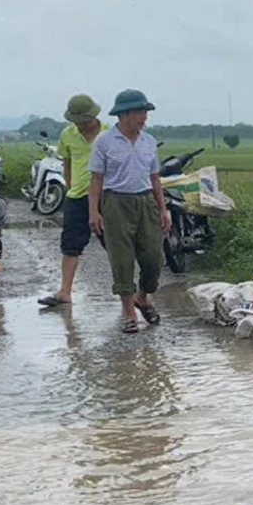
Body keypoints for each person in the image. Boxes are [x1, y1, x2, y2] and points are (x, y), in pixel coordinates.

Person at [87, 89, 170, 333]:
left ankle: (142, 297)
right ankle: (129, 312)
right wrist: (94, 211)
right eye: (138, 112)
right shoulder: (104, 142)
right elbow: (96, 180)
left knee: (154, 259)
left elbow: (155, 179)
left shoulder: (149, 141)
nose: (143, 117)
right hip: (116, 203)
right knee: (122, 260)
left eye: (145, 112)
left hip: (146, 202)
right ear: (123, 114)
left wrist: (163, 209)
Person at [38, 94, 108, 308]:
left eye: (84, 120)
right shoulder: (67, 135)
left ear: (93, 116)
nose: (80, 125)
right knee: (70, 245)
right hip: (77, 197)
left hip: (106, 196)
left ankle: (128, 292)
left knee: (114, 244)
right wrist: (70, 186)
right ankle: (65, 291)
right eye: (76, 121)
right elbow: (67, 163)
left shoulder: (109, 134)